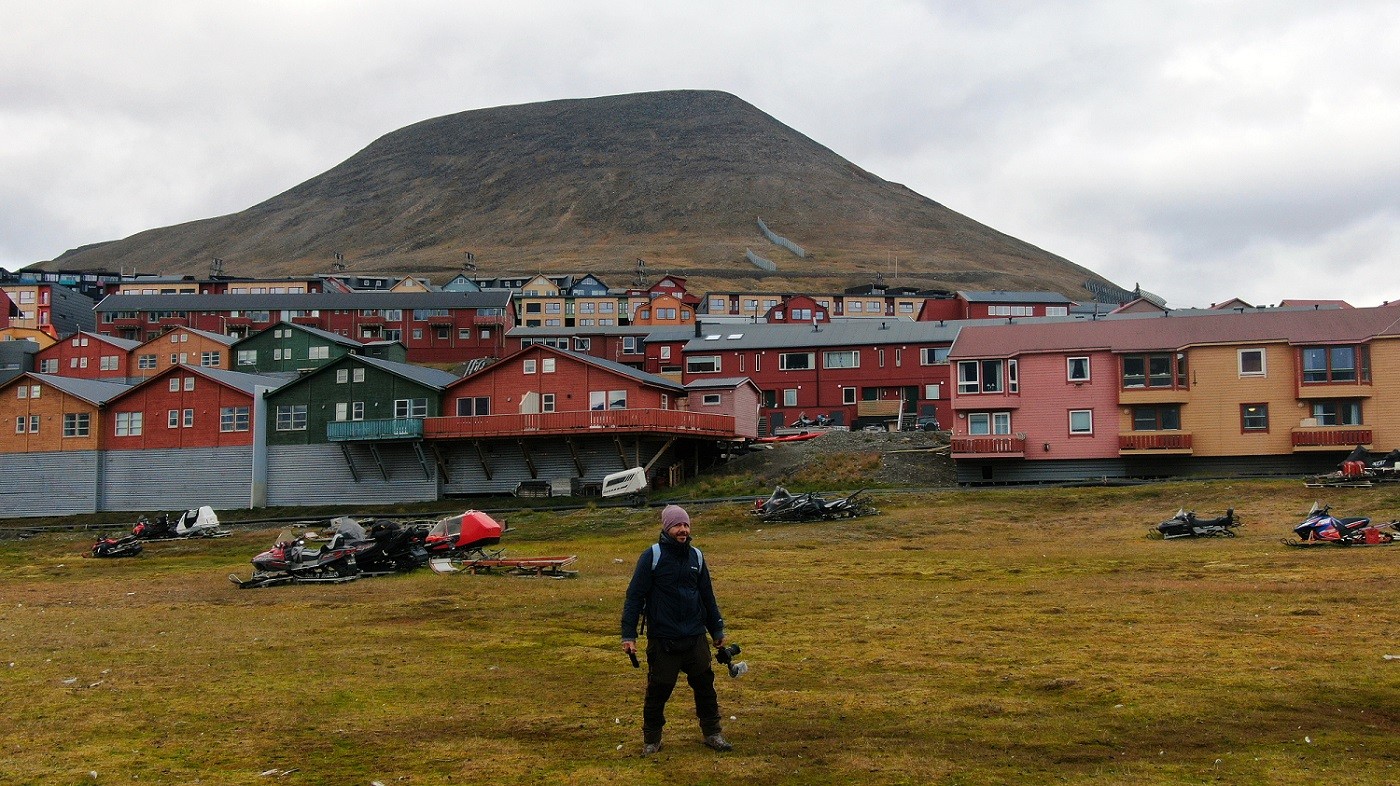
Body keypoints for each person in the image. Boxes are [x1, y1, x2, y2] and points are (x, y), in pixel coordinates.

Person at [621, 504, 732, 755]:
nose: (682, 530)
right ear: (667, 528)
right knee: (658, 690)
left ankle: (713, 734)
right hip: (664, 639)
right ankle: (652, 739)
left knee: (706, 687)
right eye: (677, 525)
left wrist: (717, 630)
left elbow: (707, 597)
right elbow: (634, 597)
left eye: (685, 525)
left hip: (695, 638)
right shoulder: (652, 556)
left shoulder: (697, 556)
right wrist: (628, 635)